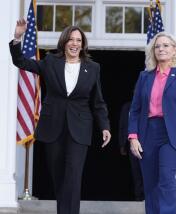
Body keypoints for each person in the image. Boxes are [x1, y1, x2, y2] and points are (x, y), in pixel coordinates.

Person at [9, 19, 111, 214]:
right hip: (52, 127)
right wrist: (17, 38)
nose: (74, 44)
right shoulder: (50, 62)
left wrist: (105, 126)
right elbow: (20, 61)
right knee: (59, 177)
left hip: (79, 129)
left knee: (73, 176)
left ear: (83, 44)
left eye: (78, 40)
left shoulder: (93, 67)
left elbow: (98, 101)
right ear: (64, 42)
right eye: (71, 40)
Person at [128, 32, 176, 214]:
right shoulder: (145, 77)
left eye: (166, 45)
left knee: (166, 178)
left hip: (172, 135)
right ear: (153, 51)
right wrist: (133, 136)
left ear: (174, 50)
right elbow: (135, 110)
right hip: (147, 133)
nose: (161, 49)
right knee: (150, 183)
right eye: (158, 46)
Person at [118, 101, 144, 201]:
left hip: (147, 143)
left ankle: (148, 197)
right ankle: (139, 197)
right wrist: (122, 144)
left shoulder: (148, 104)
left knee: (147, 172)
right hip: (132, 144)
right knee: (136, 171)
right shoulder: (127, 107)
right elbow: (122, 125)